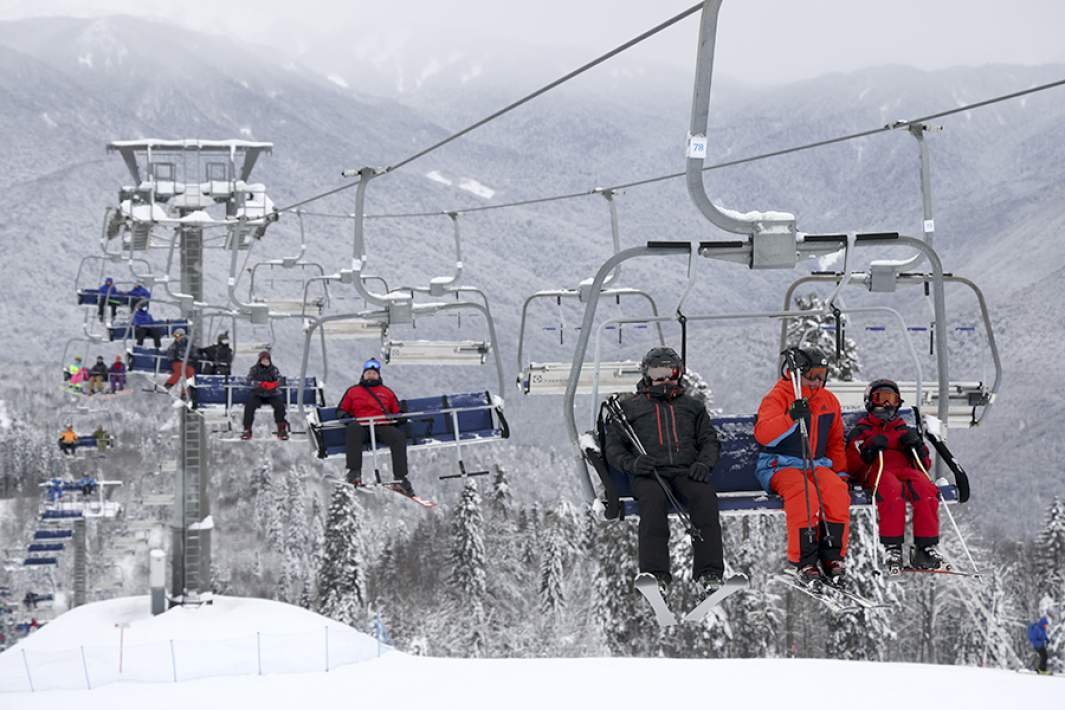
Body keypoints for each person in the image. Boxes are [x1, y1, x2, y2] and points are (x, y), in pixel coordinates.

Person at [603, 346, 725, 596]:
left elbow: (709, 440)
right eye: (658, 373)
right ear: (647, 375)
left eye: (669, 372)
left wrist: (704, 463)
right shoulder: (631, 408)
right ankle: (655, 574)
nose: (664, 379)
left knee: (704, 499)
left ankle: (709, 572)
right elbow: (613, 448)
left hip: (685, 471)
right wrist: (633, 464)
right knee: (653, 503)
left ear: (678, 373)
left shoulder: (692, 407)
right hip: (649, 474)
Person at [754, 347, 850, 587]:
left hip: (815, 465)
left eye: (822, 374)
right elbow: (764, 436)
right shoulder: (779, 396)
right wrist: (790, 417)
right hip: (779, 466)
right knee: (803, 493)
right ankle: (805, 560)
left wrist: (840, 471)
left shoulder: (828, 401)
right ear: (797, 373)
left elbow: (835, 441)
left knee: (836, 491)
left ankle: (832, 556)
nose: (818, 381)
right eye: (812, 374)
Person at [845, 379, 943, 572]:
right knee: (891, 489)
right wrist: (869, 449)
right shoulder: (862, 430)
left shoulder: (903, 429)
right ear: (870, 402)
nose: (887, 404)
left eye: (892, 399)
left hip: (906, 471)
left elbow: (924, 466)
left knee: (926, 488)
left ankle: (925, 547)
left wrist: (917, 446)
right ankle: (893, 547)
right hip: (878, 471)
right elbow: (851, 465)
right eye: (881, 399)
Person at [339, 358, 414, 496]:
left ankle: (400, 478)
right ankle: (354, 472)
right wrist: (346, 418)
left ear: (378, 375)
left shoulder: (386, 392)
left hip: (380, 425)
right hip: (362, 425)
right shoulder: (353, 391)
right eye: (368, 373)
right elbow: (342, 409)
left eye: (373, 373)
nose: (371, 375)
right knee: (353, 429)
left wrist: (399, 418)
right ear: (363, 375)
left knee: (397, 437)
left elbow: (395, 411)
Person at [242, 350, 289, 440]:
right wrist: (260, 384)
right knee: (249, 406)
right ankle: (247, 429)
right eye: (263, 360)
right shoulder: (254, 369)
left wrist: (274, 384)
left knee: (279, 406)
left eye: (267, 360)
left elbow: (280, 380)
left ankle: (281, 429)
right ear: (260, 360)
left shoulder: (273, 370)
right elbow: (249, 381)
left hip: (272, 393)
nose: (265, 362)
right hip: (258, 393)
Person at [163, 328, 196, 397]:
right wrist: (173, 357)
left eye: (178, 335)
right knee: (180, 370)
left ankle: (185, 393)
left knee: (190, 373)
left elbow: (194, 353)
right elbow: (169, 353)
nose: (176, 337)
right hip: (177, 362)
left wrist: (194, 358)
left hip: (187, 363)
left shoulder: (189, 344)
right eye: (175, 336)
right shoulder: (175, 344)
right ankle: (168, 385)